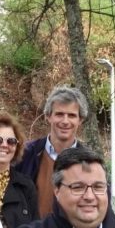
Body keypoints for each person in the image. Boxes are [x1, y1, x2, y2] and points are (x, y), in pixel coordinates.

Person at [15, 87, 88, 219]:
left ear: (80, 120)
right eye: (59, 114)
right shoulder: (26, 154)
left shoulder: (90, 163)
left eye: (71, 115)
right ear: (48, 116)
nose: (65, 121)